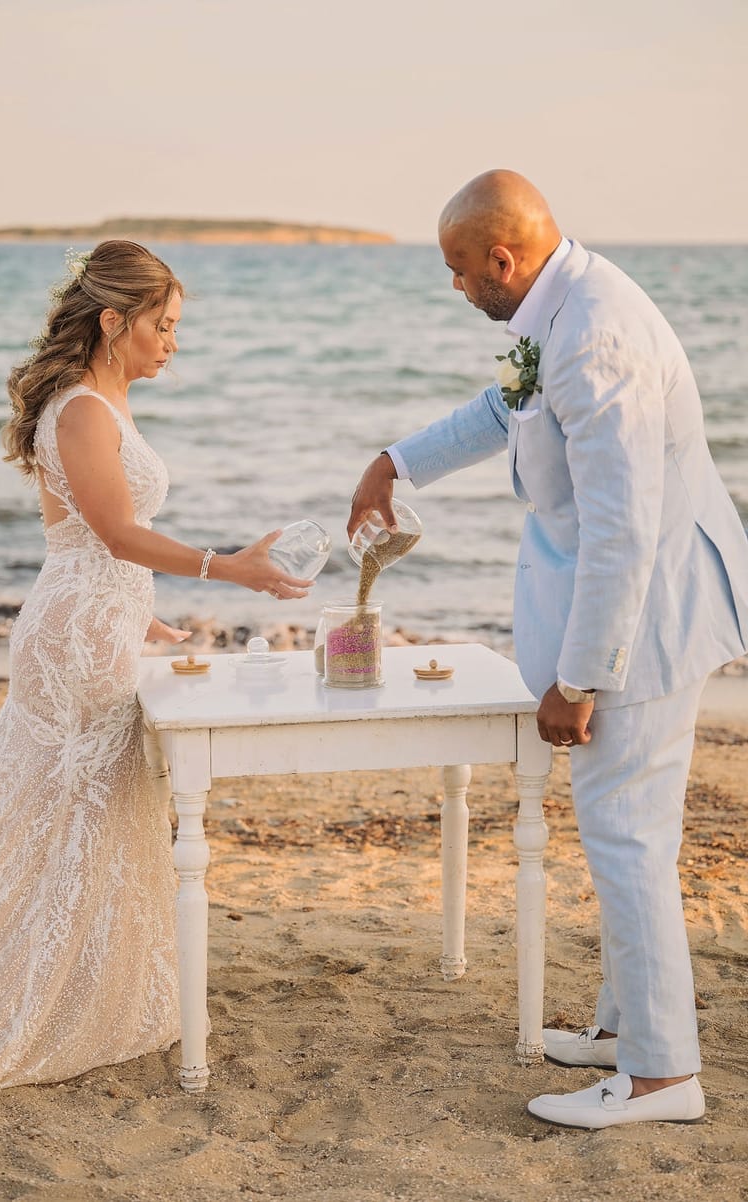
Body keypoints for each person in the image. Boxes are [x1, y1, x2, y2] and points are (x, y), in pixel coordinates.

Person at [348, 170, 748, 1129]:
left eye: (458, 270)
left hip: (646, 619)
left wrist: (578, 678)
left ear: (503, 259)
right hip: (642, 603)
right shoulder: (557, 303)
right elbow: (505, 411)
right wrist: (394, 461)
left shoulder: (597, 337)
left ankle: (660, 1077)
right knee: (625, 834)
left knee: (629, 843)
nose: (455, 288)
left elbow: (623, 528)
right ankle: (625, 1033)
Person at [0, 240, 312, 1108]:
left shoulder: (100, 403)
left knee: (77, 812)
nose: (172, 344)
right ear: (115, 322)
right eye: (164, 325)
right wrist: (232, 568)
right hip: (73, 641)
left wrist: (138, 611)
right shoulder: (81, 410)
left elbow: (83, 540)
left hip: (91, 622)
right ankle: (8, 985)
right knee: (47, 808)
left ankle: (73, 980)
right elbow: (110, 535)